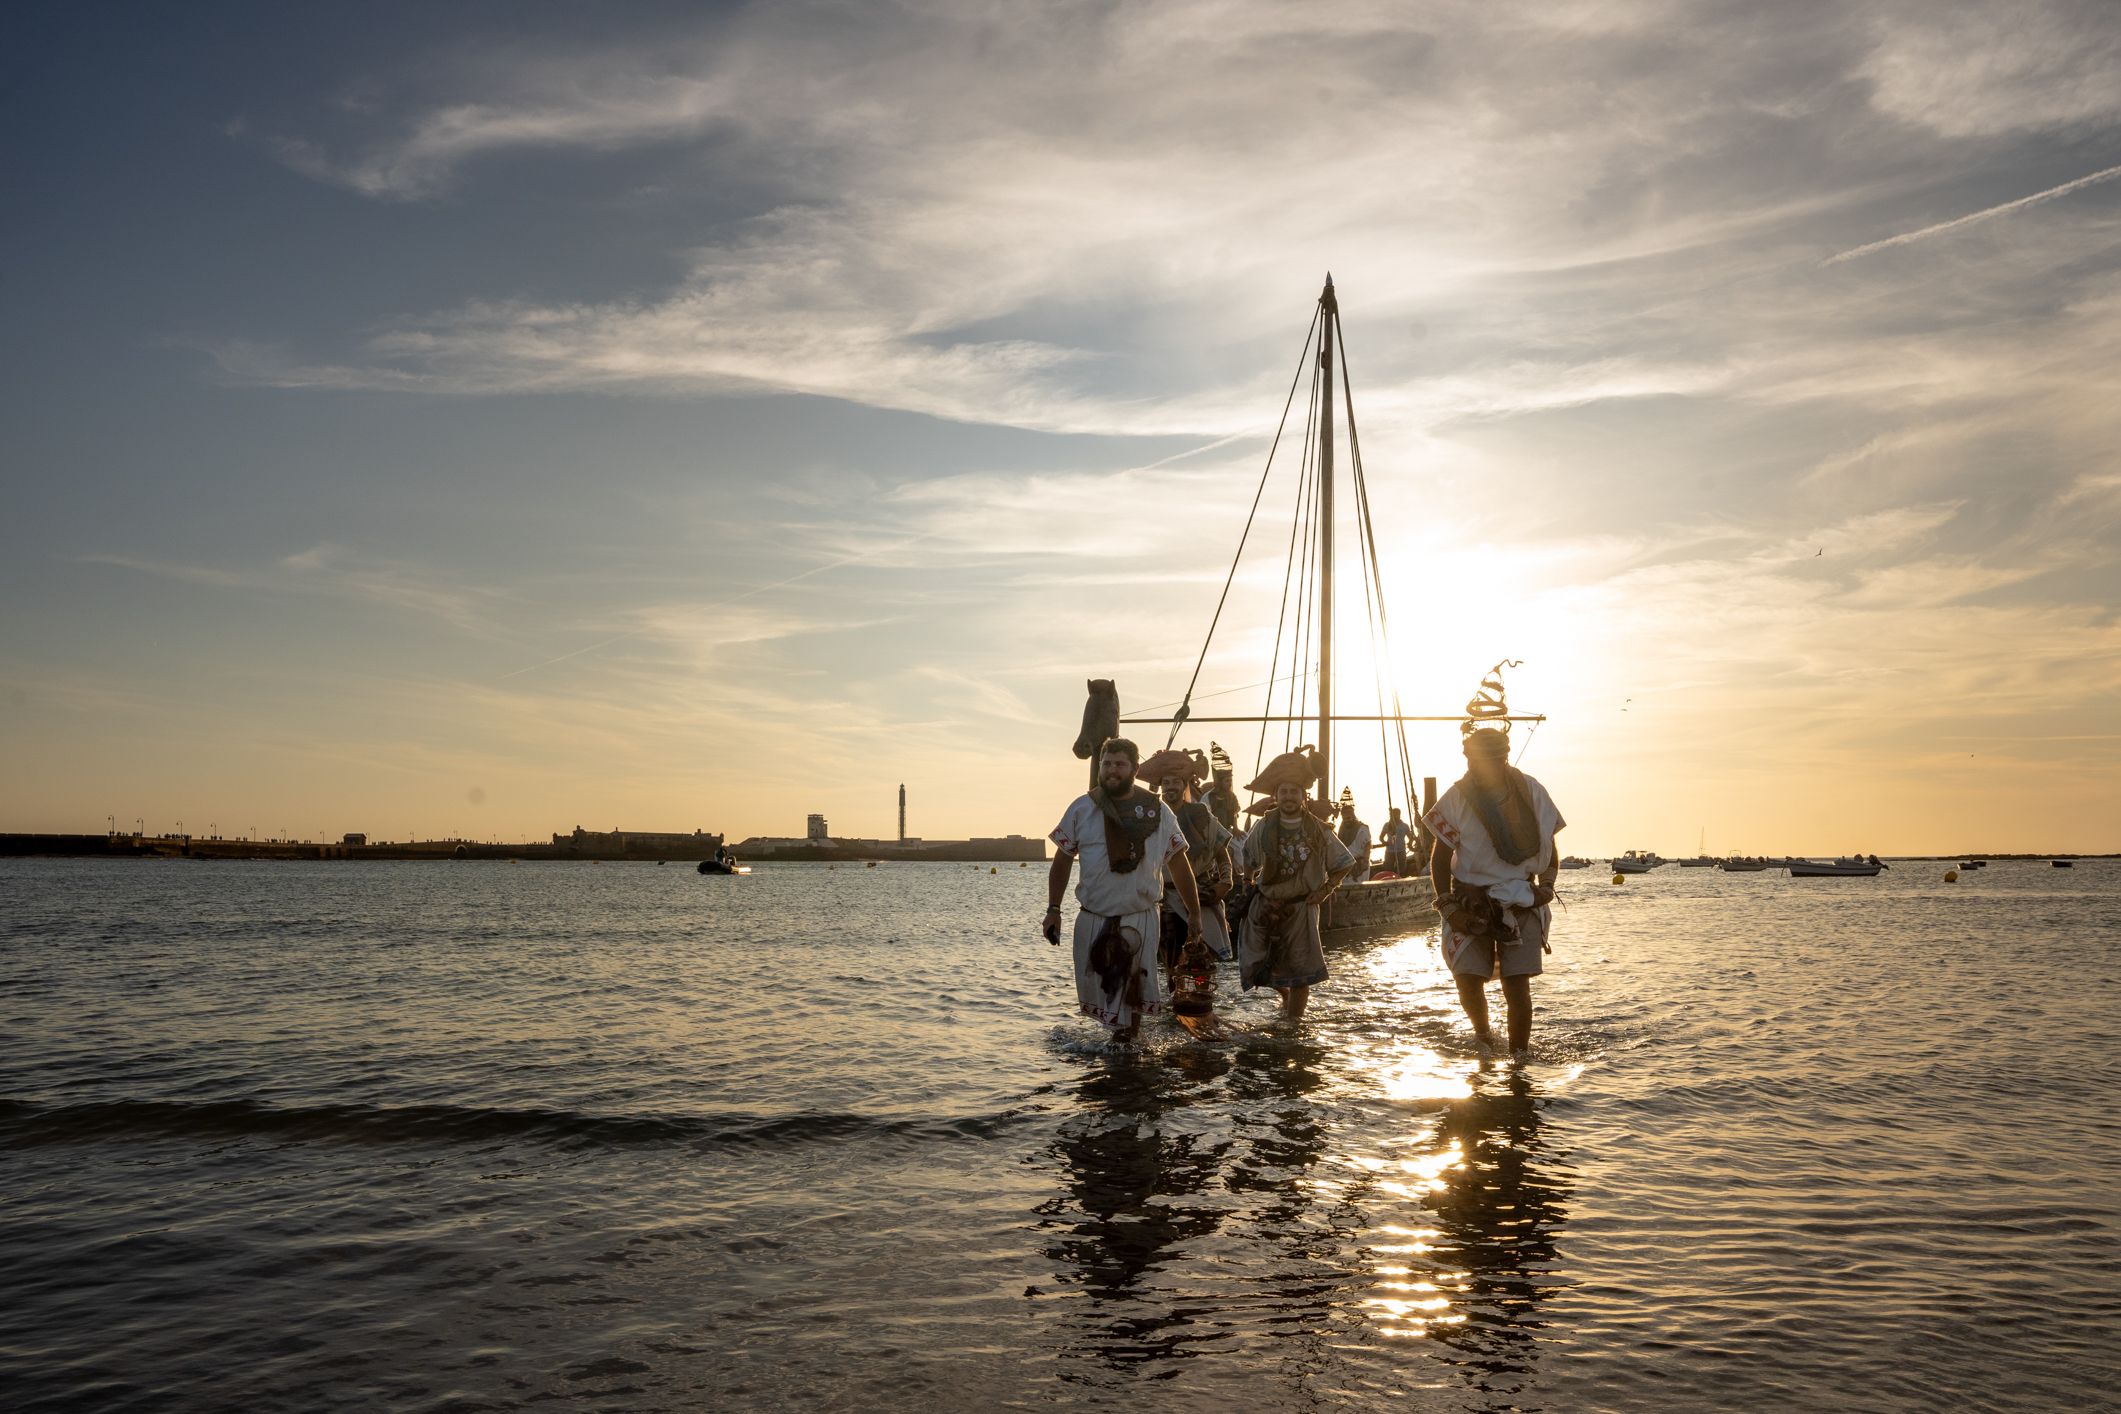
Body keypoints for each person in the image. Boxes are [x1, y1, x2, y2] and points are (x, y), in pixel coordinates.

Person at [1046, 737, 1205, 1043]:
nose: (1112, 771)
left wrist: (1195, 913)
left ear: (1133, 769)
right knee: (1105, 999)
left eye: (1120, 764)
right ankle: (1123, 1057)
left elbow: (1179, 864)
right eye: (1107, 764)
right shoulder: (1083, 808)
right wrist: (1053, 909)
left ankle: (1126, 1059)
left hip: (1139, 917)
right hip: (1092, 918)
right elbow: (1063, 858)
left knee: (1130, 999)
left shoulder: (1158, 811)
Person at [1426, 728, 1565, 1059]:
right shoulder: (1457, 796)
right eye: (1474, 762)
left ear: (1504, 760)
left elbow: (1551, 848)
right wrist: (1447, 905)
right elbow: (1440, 856)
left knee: (1516, 985)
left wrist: (1547, 886)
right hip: (1469, 900)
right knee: (1468, 979)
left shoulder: (1532, 791)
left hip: (1521, 900)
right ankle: (1484, 1037)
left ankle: (1519, 1058)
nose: (1480, 769)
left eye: (1488, 762)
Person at [1237, 750, 1356, 1024]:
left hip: (1302, 907)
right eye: (1284, 792)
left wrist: (1325, 890)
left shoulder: (1318, 829)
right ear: (1276, 796)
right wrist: (1247, 882)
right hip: (1266, 904)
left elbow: (1343, 863)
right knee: (1254, 961)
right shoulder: (1264, 826)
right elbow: (1249, 856)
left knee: (1301, 968)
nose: (1288, 797)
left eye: (1294, 792)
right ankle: (1285, 997)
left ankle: (1293, 1023)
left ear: (1303, 796)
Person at [1138, 748, 1236, 972]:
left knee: (1203, 958)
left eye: (1176, 782)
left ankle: (1202, 999)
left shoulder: (1201, 814)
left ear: (1185, 786)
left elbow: (1221, 850)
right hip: (1165, 896)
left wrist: (1226, 881)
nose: (1171, 787)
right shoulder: (1151, 815)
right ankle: (1174, 1001)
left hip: (1201, 892)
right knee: (1170, 961)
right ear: (1161, 786)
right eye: (1166, 782)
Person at [1336, 791, 1373, 884]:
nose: (1346, 820)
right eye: (1344, 819)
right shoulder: (1342, 829)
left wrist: (1365, 860)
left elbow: (1368, 845)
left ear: (1353, 816)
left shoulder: (1362, 828)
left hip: (1360, 865)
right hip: (1345, 865)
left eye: (1348, 818)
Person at [1379, 806, 1412, 877]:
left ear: (1399, 815)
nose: (1395, 816)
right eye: (1394, 814)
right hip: (1389, 851)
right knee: (1388, 870)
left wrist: (1410, 843)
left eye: (1397, 814)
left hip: (1401, 850)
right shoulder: (1387, 825)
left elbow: (1410, 837)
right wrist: (1384, 842)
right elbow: (1381, 837)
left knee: (1402, 870)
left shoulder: (1405, 826)